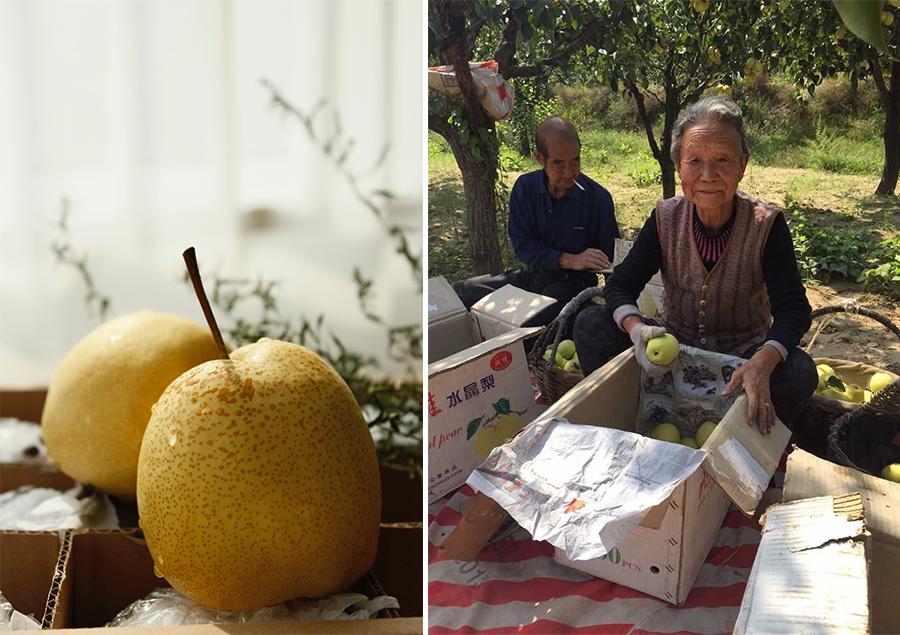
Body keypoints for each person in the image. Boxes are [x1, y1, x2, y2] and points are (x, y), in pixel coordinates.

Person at [573, 97, 817, 433]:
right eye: (694, 161)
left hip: (741, 360)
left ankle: (746, 448)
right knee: (591, 324)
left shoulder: (765, 225)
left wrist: (763, 360)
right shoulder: (665, 219)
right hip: (672, 354)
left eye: (723, 160)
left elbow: (793, 310)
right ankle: (631, 427)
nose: (708, 175)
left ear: (743, 164)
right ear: (678, 166)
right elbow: (619, 285)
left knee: (800, 371)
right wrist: (636, 329)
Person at [453, 116, 619, 328]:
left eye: (575, 161)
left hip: (572, 284)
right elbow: (523, 247)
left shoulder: (597, 198)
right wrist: (568, 258)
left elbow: (613, 260)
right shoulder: (525, 188)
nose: (569, 173)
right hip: (532, 274)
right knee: (462, 292)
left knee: (530, 321)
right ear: (539, 158)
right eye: (558, 163)